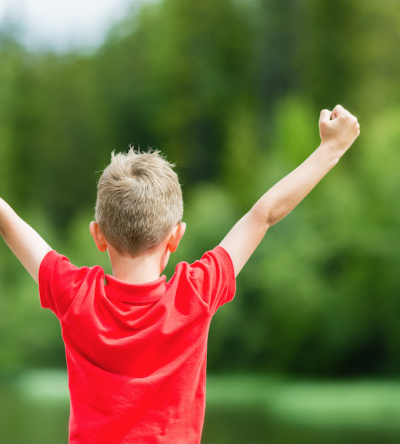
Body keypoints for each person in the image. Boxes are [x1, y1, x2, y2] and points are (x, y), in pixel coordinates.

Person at [0, 104, 359, 444]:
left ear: (97, 236)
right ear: (176, 237)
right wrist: (331, 148)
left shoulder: (75, 296)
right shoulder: (195, 294)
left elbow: (7, 221)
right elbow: (263, 215)